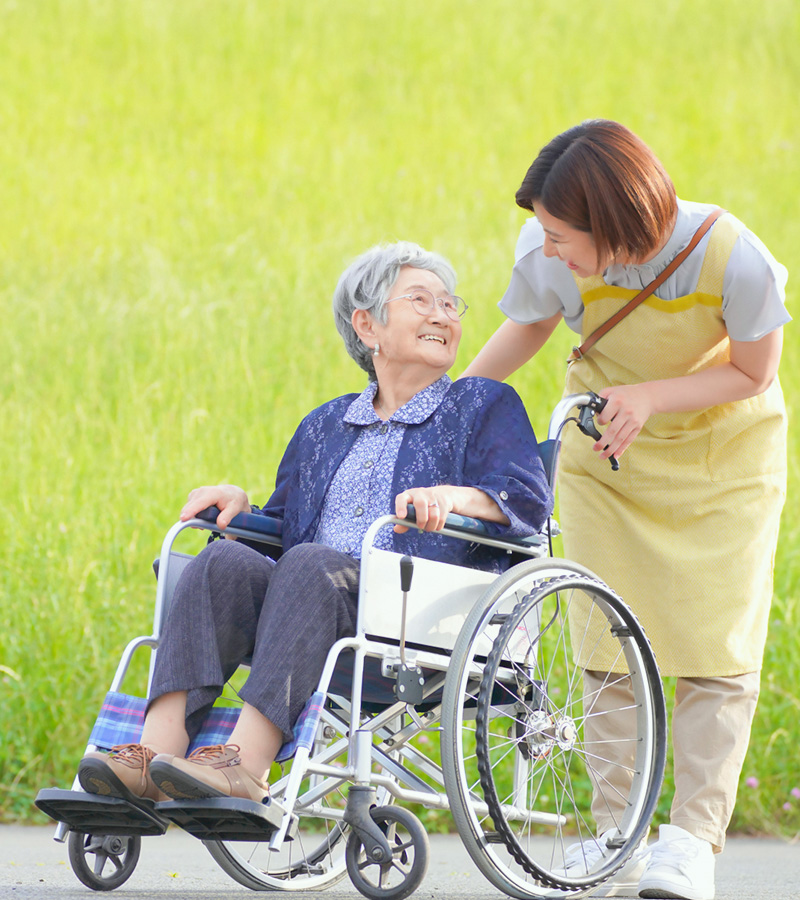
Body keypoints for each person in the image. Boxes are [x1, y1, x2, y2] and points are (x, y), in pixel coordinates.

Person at [77, 241, 553, 807]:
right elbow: (284, 528)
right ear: (367, 325)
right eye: (421, 300)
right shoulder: (325, 425)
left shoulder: (482, 404)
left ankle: (245, 767)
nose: (442, 315)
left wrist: (453, 498)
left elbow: (525, 499)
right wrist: (238, 504)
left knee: (310, 565)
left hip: (414, 611)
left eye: (451, 305)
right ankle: (152, 758)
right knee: (223, 559)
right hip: (305, 605)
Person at [462, 120, 788, 900]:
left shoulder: (731, 255)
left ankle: (693, 844)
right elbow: (532, 324)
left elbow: (753, 372)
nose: (548, 249)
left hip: (724, 462)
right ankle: (618, 834)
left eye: (560, 235)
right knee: (604, 638)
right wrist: (456, 410)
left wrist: (651, 395)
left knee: (718, 650)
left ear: (613, 222)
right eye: (542, 231)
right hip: (608, 455)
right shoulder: (552, 257)